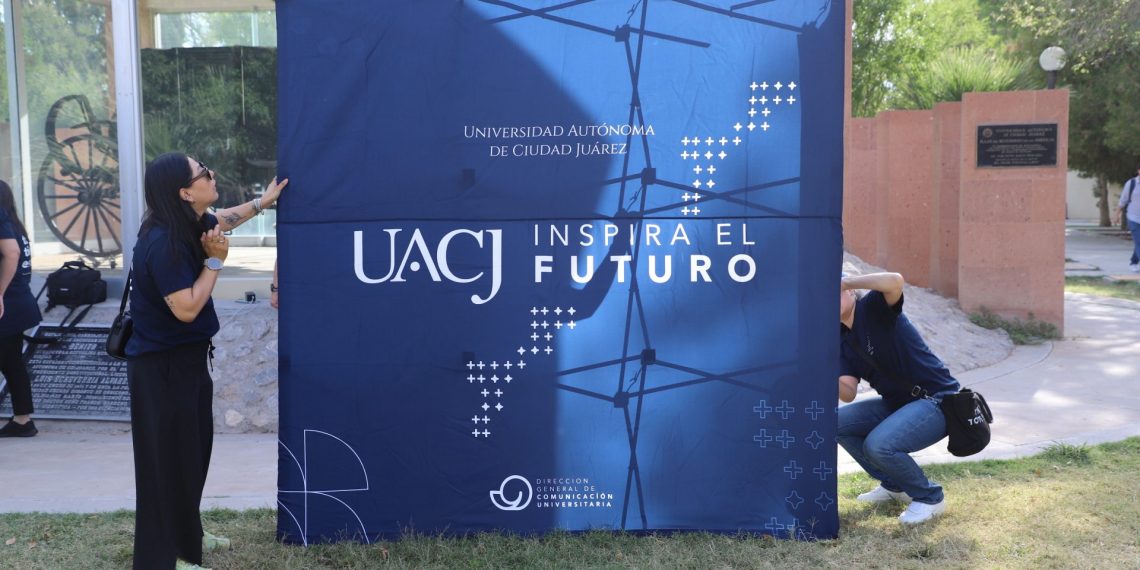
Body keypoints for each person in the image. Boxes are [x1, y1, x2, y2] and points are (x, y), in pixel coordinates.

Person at [126, 152, 286, 569]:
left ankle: (188, 532)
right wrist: (216, 262)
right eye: (203, 172)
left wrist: (262, 202)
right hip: (161, 370)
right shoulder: (163, 243)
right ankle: (166, 557)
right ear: (185, 192)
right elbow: (186, 309)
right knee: (167, 465)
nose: (212, 175)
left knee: (191, 456)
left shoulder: (187, 222)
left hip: (186, 362)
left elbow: (223, 221)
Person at [837, 271, 960, 525]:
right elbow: (848, 393)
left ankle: (930, 497)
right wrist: (821, 366)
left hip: (938, 399)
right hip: (898, 405)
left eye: (833, 292)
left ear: (850, 292)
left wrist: (845, 281)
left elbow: (895, 281)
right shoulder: (841, 338)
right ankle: (895, 486)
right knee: (835, 422)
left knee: (878, 445)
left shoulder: (873, 308)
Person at [0, 181, 42, 438]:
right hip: (19, 303)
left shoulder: (6, 231)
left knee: (11, 363)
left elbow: (12, 255)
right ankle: (23, 419)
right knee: (12, 363)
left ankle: (24, 420)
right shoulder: (17, 227)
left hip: (8, 306)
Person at [1113, 164, 1140, 273]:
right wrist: (1116, 215)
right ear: (1138, 171)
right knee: (1139, 241)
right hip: (1133, 218)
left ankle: (1133, 262)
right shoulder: (1131, 183)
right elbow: (1122, 201)